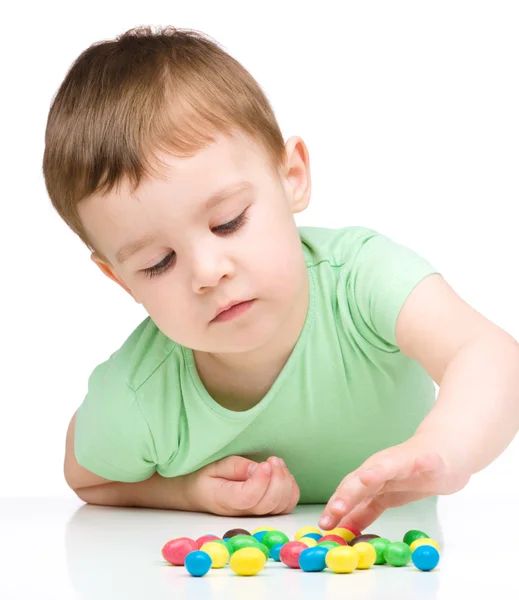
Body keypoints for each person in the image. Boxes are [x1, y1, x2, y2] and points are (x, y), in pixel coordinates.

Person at [43, 25, 519, 532]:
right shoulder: (144, 392)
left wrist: (442, 448)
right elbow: (85, 478)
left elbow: (490, 354)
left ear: (291, 177)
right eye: (158, 263)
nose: (208, 272)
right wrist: (188, 491)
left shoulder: (360, 280)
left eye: (229, 222)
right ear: (120, 280)